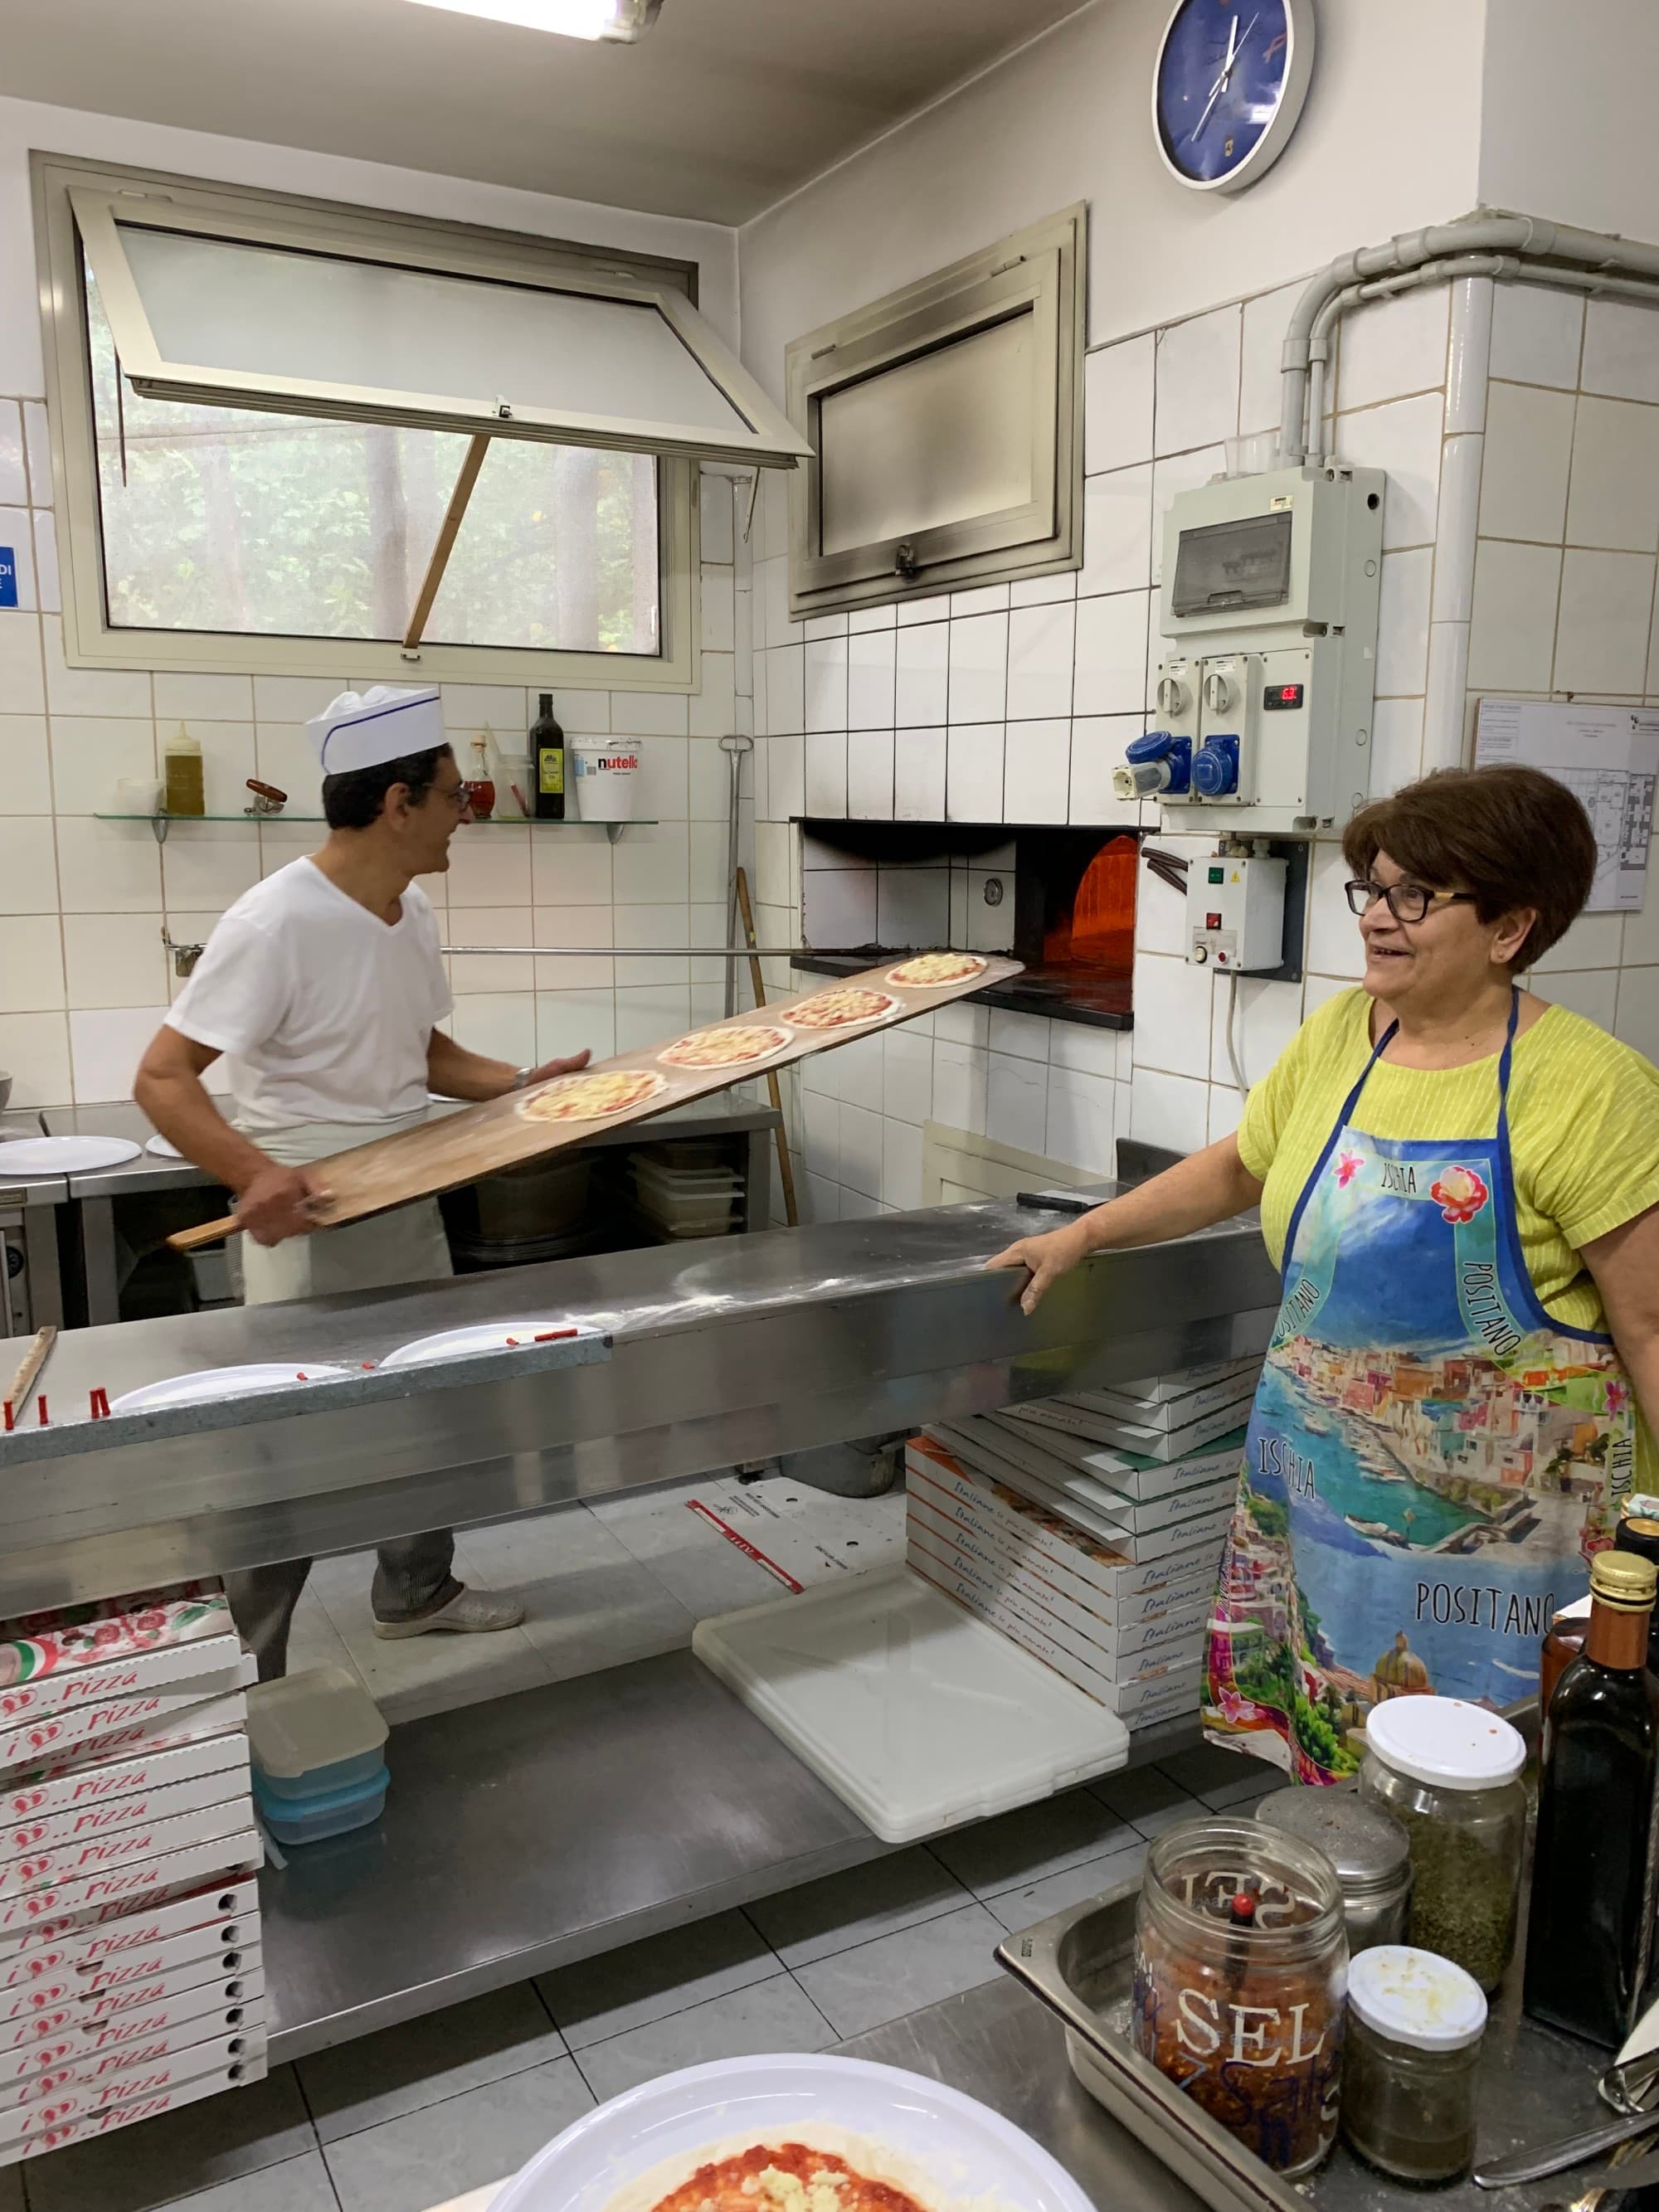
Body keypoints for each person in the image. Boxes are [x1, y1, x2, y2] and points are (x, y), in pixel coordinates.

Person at [989, 765, 1659, 1782]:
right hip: (1321, 1487)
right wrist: (1085, 1234)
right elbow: (1239, 1164)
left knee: (1488, 1780)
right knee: (1338, 1731)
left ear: (1510, 930)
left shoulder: (1594, 1090)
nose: (1377, 920)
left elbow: (1647, 1329)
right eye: (1374, 889)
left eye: (1416, 896)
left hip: (1504, 1550)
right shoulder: (1345, 1034)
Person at [134, 685, 592, 1678]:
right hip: (309, 1208)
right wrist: (254, 1177)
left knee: (425, 1410)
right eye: (450, 794)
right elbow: (161, 1078)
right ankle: (244, 1665)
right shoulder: (273, 922)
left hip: (406, 1183)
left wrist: (520, 1086)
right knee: (289, 1450)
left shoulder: (408, 906)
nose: (463, 812)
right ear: (398, 804)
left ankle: (414, 1590)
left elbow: (421, 1051)